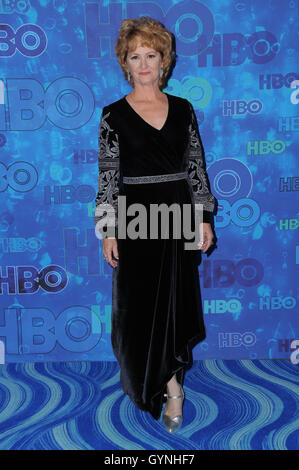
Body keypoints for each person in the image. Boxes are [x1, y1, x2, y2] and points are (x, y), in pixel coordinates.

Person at [94, 16, 216, 434]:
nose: (143, 64)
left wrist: (204, 218)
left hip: (179, 214)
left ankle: (174, 389)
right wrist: (108, 229)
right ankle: (150, 379)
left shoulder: (183, 109)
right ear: (124, 63)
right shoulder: (112, 115)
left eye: (151, 55)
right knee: (141, 309)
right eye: (135, 56)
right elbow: (108, 175)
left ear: (164, 61)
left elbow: (196, 166)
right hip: (136, 217)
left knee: (175, 307)